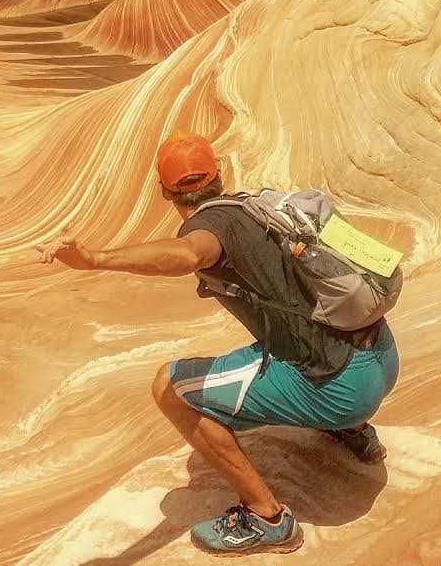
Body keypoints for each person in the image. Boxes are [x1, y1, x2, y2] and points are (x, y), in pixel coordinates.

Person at [36, 131, 400, 557]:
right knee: (293, 334)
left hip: (340, 389)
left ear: (163, 190)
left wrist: (95, 259)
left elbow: (191, 253)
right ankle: (355, 436)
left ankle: (267, 519)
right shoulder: (257, 207)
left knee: (169, 389)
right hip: (381, 356)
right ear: (219, 174)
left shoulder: (210, 227)